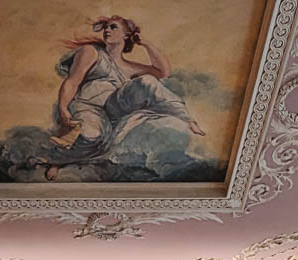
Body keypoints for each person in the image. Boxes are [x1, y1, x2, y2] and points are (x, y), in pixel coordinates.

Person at [38, 16, 204, 180]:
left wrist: (144, 43)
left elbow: (164, 72)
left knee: (147, 81)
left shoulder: (130, 67)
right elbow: (72, 81)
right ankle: (57, 161)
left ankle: (187, 118)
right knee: (91, 135)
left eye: (113, 27)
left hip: (114, 110)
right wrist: (63, 108)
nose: (107, 31)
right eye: (106, 28)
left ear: (126, 35)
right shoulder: (91, 52)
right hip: (87, 107)